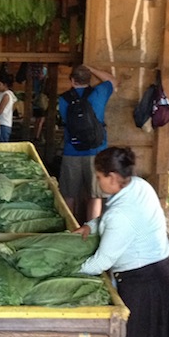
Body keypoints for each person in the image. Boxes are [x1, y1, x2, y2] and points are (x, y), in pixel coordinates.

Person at [74, 146, 169, 337]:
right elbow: (106, 219)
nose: (97, 181)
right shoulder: (138, 185)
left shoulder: (122, 214)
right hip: (158, 270)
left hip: (145, 280)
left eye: (99, 177)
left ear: (112, 177)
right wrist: (90, 226)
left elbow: (103, 261)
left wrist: (71, 271)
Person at [58, 64, 117, 222]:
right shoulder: (99, 93)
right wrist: (92, 68)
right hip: (96, 152)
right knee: (95, 195)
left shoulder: (63, 99)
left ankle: (69, 229)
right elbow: (112, 79)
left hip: (72, 151)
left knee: (69, 195)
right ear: (89, 79)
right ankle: (91, 229)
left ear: (72, 80)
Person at [0, 73, 17, 143]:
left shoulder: (6, 95)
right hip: (1, 122)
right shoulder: (2, 94)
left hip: (3, 123)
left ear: (5, 85)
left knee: (2, 145)